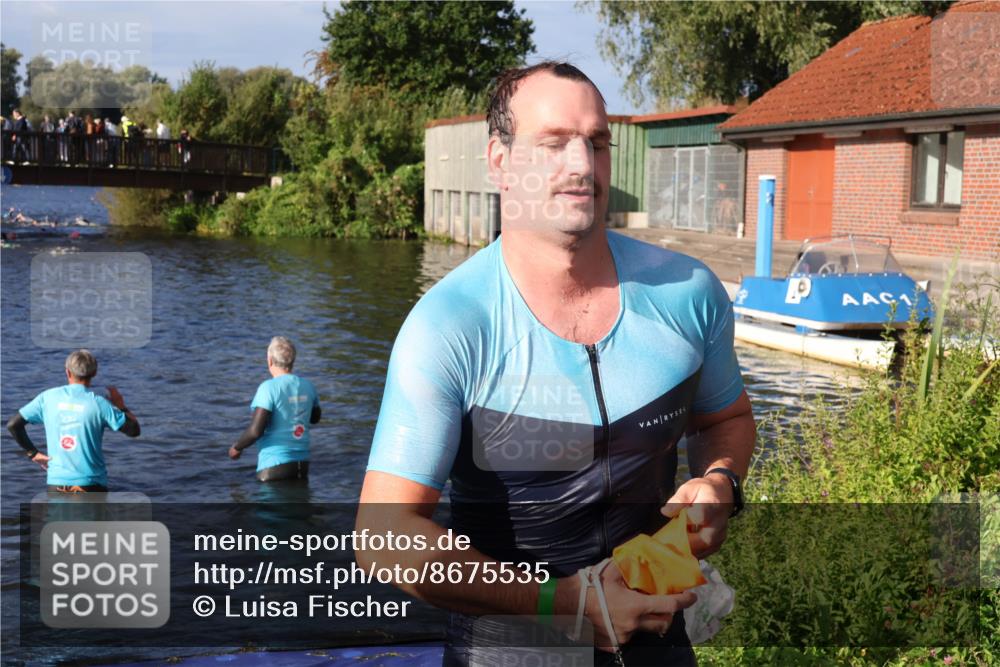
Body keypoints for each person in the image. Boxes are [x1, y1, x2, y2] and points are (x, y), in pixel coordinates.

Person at [358, 62, 756, 666]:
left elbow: (726, 419)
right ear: (499, 162)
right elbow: (384, 538)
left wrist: (720, 482)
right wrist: (568, 603)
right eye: (553, 143)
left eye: (597, 142)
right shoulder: (449, 327)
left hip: (658, 639)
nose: (581, 165)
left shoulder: (689, 293)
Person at [6, 350, 141, 493]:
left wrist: (33, 453)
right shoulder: (99, 403)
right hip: (91, 483)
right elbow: (134, 430)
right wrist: (121, 406)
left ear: (68, 372)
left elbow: (13, 425)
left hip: (57, 483)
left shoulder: (47, 398)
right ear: (94, 373)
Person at [228, 336, 321, 482]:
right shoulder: (308, 386)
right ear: (292, 360)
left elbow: (255, 431)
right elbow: (315, 418)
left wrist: (237, 448)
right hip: (302, 465)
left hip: (273, 467)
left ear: (269, 360)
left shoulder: (268, 388)